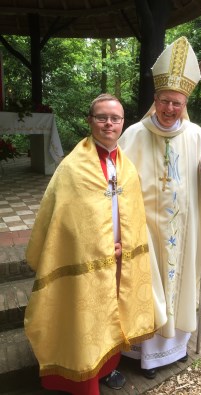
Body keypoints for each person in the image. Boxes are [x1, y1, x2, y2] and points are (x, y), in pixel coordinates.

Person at [24, 93, 156, 395]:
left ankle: (107, 368)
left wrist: (125, 244)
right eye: (102, 117)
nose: (109, 123)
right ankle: (80, 379)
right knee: (84, 318)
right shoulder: (72, 167)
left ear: (123, 122)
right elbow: (64, 221)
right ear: (90, 121)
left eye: (116, 118)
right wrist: (98, 249)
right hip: (84, 262)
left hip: (119, 257)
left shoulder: (126, 165)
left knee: (111, 313)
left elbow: (133, 212)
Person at [119, 37, 201, 379]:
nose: (169, 109)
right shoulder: (132, 135)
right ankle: (144, 356)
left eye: (176, 103)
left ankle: (173, 351)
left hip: (183, 230)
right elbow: (116, 185)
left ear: (184, 104)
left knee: (178, 287)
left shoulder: (197, 136)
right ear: (155, 100)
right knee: (148, 289)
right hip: (144, 230)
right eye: (164, 101)